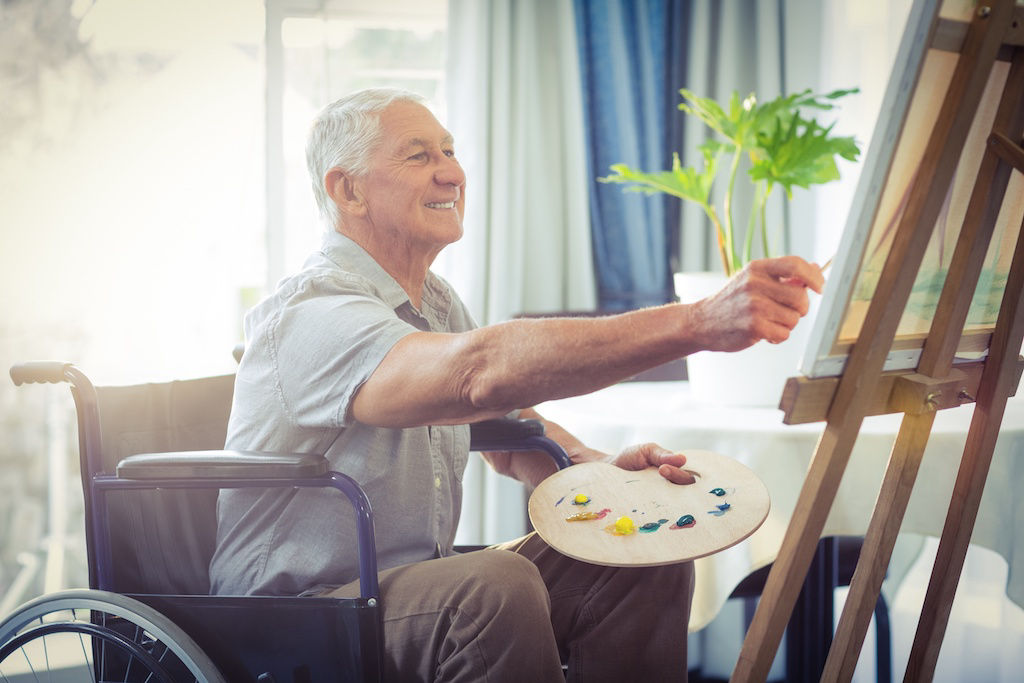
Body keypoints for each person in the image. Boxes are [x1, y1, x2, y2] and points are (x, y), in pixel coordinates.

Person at [209, 87, 824, 682]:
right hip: (296, 613)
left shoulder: (436, 303)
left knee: (640, 560)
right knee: (494, 586)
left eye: (449, 152)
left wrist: (599, 472)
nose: (452, 173)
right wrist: (696, 323)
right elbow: (478, 375)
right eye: (420, 155)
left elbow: (509, 430)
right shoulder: (311, 314)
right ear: (348, 190)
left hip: (407, 588)